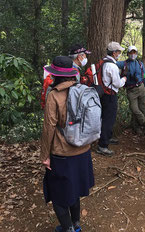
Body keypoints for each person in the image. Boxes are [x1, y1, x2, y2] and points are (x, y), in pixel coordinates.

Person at [41, 56, 94, 232]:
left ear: (55, 75)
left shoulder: (54, 95)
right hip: (83, 150)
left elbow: (49, 127)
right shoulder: (83, 90)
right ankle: (76, 225)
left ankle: (68, 229)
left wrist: (45, 156)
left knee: (58, 194)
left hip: (62, 153)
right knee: (74, 189)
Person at [96, 41, 127, 156]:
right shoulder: (112, 66)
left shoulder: (103, 62)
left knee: (104, 118)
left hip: (103, 94)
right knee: (108, 119)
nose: (119, 53)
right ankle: (103, 145)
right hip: (110, 96)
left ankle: (106, 138)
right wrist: (124, 79)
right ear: (114, 53)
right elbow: (117, 83)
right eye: (118, 51)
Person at [117, 45, 145, 136]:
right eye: (131, 52)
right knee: (134, 109)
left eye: (134, 52)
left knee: (142, 109)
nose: (133, 54)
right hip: (131, 90)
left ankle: (138, 128)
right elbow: (112, 63)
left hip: (141, 88)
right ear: (128, 54)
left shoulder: (140, 64)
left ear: (136, 53)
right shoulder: (123, 64)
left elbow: (144, 77)